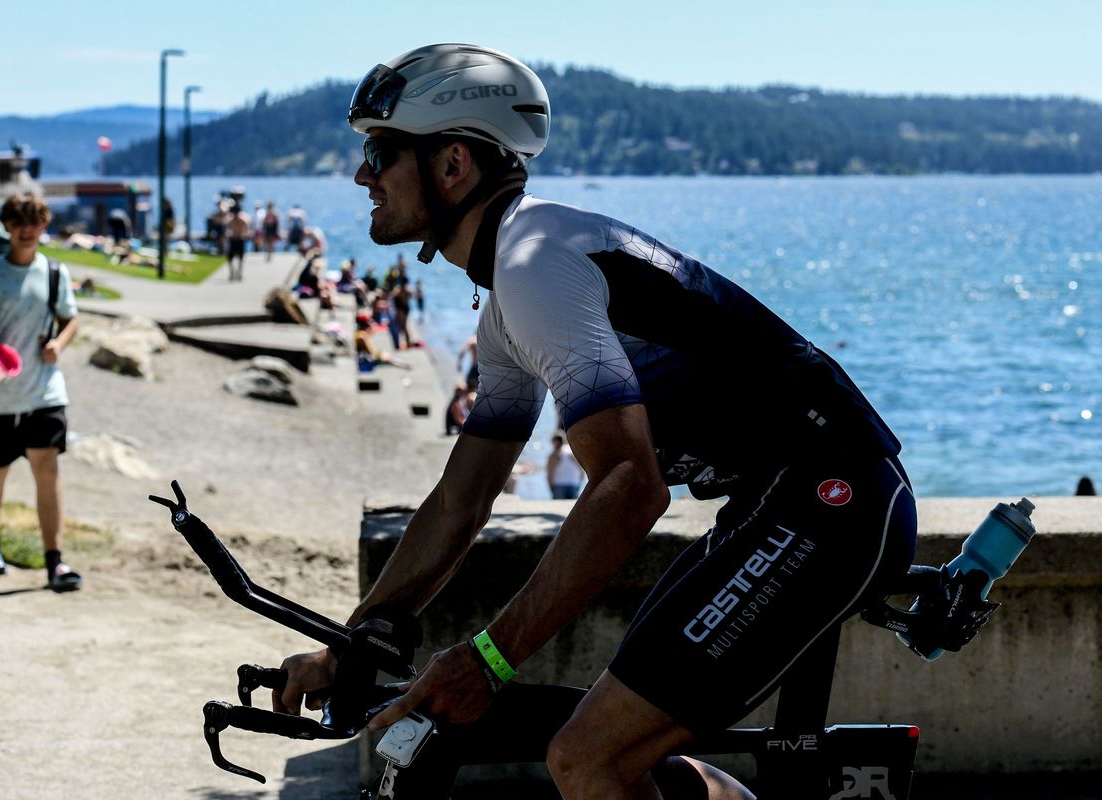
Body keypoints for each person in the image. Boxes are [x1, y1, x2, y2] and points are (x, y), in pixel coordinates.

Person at [275, 44, 915, 800]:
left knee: (588, 758)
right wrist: (352, 644)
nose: (362, 176)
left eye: (380, 152)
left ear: (452, 165)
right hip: (776, 504)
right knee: (609, 753)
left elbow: (629, 484)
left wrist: (489, 658)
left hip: (832, 502)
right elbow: (461, 500)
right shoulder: (514, 284)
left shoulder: (535, 263)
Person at [0, 193, 83, 592]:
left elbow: (70, 319)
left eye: (35, 222)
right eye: (19, 222)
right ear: (7, 227)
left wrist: (59, 345)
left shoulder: (55, 273)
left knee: (48, 469)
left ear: (44, 226)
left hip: (44, 392)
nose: (27, 230)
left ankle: (54, 562)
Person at [546, 430, 584, 499]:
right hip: (574, 484)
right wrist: (580, 483)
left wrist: (551, 487)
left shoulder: (554, 455)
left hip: (559, 485)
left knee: (558, 507)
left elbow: (549, 473)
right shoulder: (573, 451)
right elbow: (582, 469)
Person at [225, 202, 252, 281]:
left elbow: (247, 230)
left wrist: (245, 235)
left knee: (241, 258)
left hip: (240, 239)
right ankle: (232, 273)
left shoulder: (242, 220)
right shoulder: (231, 220)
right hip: (233, 239)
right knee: (230, 258)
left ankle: (239, 273)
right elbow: (227, 229)